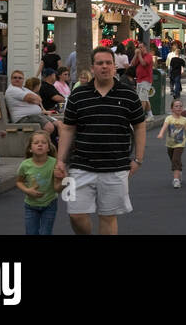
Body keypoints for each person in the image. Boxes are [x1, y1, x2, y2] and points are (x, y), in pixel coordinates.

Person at [55, 47, 147, 235]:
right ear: (92, 67)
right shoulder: (78, 95)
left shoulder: (128, 94)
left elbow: (139, 126)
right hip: (80, 166)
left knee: (108, 216)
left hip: (116, 167)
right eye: (100, 63)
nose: (104, 67)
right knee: (75, 214)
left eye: (108, 63)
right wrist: (60, 160)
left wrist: (138, 158)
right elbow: (67, 128)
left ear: (114, 66)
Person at [17, 130, 61, 235]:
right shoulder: (25, 165)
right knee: (31, 232)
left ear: (48, 147)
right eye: (36, 143)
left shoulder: (54, 163)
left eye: (43, 143)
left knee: (46, 232)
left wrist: (63, 180)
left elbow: (57, 188)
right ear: (30, 149)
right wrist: (27, 190)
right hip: (31, 205)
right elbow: (19, 182)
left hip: (49, 204)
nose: (40, 145)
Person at [5, 70, 60, 144]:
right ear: (11, 79)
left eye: (20, 78)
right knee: (49, 127)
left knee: (59, 124)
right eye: (15, 77)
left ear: (23, 80)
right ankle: (45, 148)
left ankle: (58, 147)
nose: (17, 79)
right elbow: (31, 97)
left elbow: (39, 99)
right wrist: (33, 100)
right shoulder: (12, 90)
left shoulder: (23, 89)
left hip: (36, 115)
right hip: (24, 118)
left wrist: (34, 99)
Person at [158, 100, 186, 188]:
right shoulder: (169, 118)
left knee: (175, 159)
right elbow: (164, 126)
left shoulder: (184, 120)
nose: (178, 108)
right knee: (173, 159)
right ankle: (179, 170)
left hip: (180, 144)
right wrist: (161, 133)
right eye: (176, 106)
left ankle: (176, 180)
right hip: (170, 144)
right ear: (172, 108)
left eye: (180, 106)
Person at [133, 45, 155, 121]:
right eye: (138, 47)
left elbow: (143, 63)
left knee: (142, 99)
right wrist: (136, 55)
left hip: (146, 80)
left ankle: (140, 116)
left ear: (145, 48)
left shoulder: (148, 56)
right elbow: (132, 64)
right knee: (145, 98)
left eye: (141, 47)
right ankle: (150, 115)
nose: (139, 49)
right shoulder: (139, 56)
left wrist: (139, 55)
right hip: (139, 80)